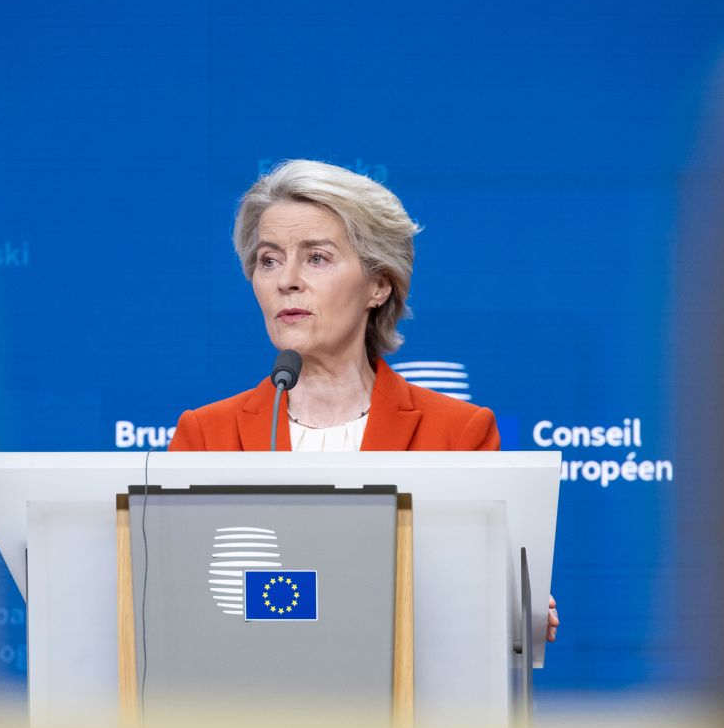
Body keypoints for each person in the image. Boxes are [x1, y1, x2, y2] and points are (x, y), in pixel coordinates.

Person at [169, 159, 558, 641]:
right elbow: (175, 600)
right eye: (268, 260)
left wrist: (512, 603)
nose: (286, 280)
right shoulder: (207, 434)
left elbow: (475, 604)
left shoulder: (458, 432)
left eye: (316, 257)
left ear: (379, 284)